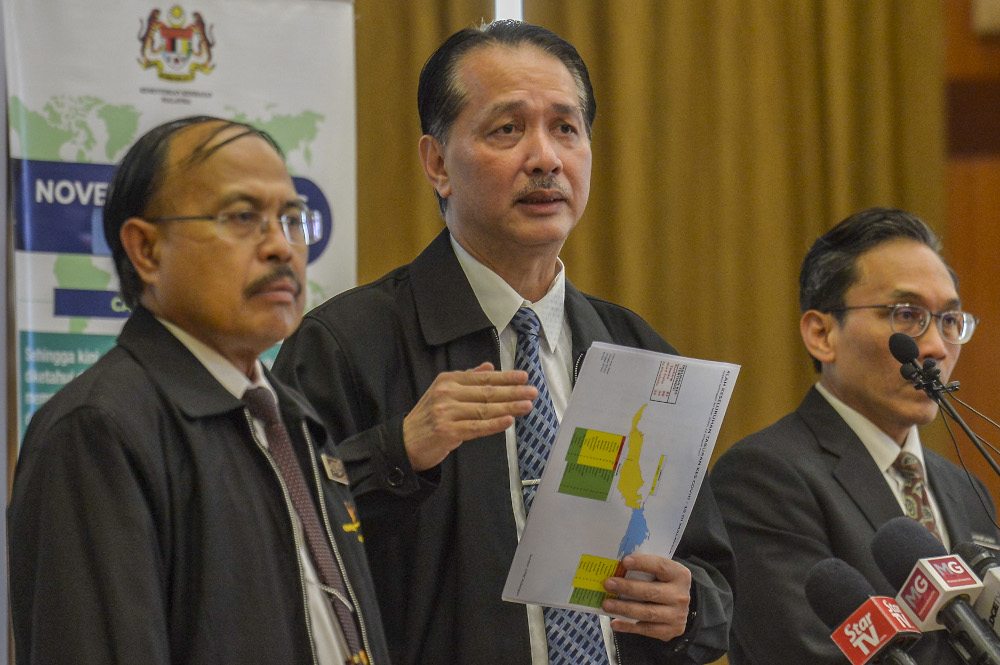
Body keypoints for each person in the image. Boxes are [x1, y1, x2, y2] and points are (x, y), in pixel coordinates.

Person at [273, 20, 734, 665]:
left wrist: (688, 609)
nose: (545, 157)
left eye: (566, 129)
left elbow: (707, 571)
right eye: (507, 129)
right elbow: (280, 557)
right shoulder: (346, 343)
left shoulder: (640, 353)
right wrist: (397, 452)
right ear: (437, 164)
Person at [8, 116, 391, 665]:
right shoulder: (98, 430)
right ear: (146, 249)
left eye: (290, 219)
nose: (281, 247)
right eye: (242, 217)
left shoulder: (292, 416)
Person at [709, 207, 999, 664]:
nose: (937, 348)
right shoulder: (762, 477)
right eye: (907, 314)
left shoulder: (968, 491)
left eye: (948, 321)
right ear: (822, 334)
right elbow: (804, 653)